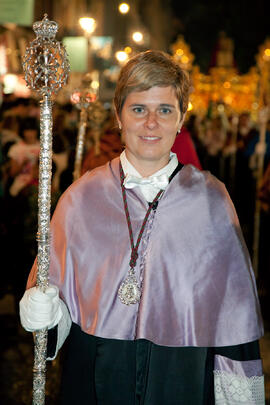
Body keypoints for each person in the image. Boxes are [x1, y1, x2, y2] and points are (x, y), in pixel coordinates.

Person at [20, 50, 264, 404]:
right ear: (119, 116)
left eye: (165, 110)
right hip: (95, 371)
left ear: (181, 118)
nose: (151, 122)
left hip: (181, 372)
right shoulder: (80, 198)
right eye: (138, 109)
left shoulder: (211, 201)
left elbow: (234, 320)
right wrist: (47, 311)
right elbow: (58, 296)